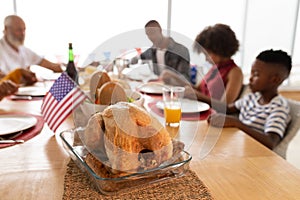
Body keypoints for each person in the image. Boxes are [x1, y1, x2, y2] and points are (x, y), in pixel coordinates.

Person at [207, 49, 292, 150]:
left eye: (256, 74)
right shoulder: (252, 97)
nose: (250, 79)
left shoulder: (278, 107)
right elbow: (227, 109)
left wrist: (237, 123)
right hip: (238, 147)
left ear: (275, 80)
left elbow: (271, 142)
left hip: (254, 154)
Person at [185, 23, 243, 104]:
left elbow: (225, 106)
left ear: (219, 49)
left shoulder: (235, 72)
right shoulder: (215, 67)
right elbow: (197, 90)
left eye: (207, 54)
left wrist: (198, 95)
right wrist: (176, 79)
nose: (206, 59)